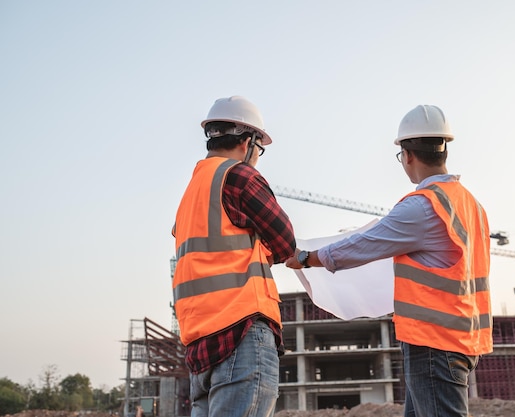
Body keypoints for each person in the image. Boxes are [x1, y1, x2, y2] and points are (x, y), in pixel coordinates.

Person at [285, 104, 492, 417]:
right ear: (444, 149)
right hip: (461, 337)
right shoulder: (470, 204)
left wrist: (306, 258)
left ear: (407, 155)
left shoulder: (424, 206)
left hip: (433, 340)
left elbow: (365, 244)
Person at [172, 96, 296, 417]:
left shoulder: (192, 192)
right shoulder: (238, 176)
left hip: (199, 347)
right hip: (241, 334)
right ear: (247, 142)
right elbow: (285, 241)